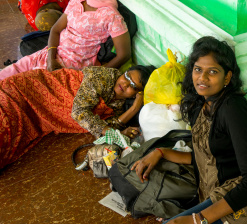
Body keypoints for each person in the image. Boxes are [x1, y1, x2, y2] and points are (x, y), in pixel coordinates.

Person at [134, 36, 247, 224]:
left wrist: (196, 221)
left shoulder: (233, 109)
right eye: (197, 69)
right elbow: (208, 158)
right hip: (223, 197)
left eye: (212, 72)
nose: (202, 78)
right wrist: (162, 152)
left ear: (228, 77)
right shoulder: (200, 104)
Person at [0, 65, 155, 170]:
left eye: (133, 87)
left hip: (40, 114)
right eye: (127, 77)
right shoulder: (102, 76)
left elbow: (106, 125)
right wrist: (113, 133)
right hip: (29, 91)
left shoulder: (119, 103)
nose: (125, 84)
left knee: (11, 140)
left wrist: (134, 108)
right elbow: (79, 112)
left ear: (137, 94)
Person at [0, 0, 131, 81]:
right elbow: (56, 30)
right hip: (50, 54)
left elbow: (124, 54)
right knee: (9, 72)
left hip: (71, 65)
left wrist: (94, 77)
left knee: (20, 85)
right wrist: (51, 58)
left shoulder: (110, 15)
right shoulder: (77, 0)